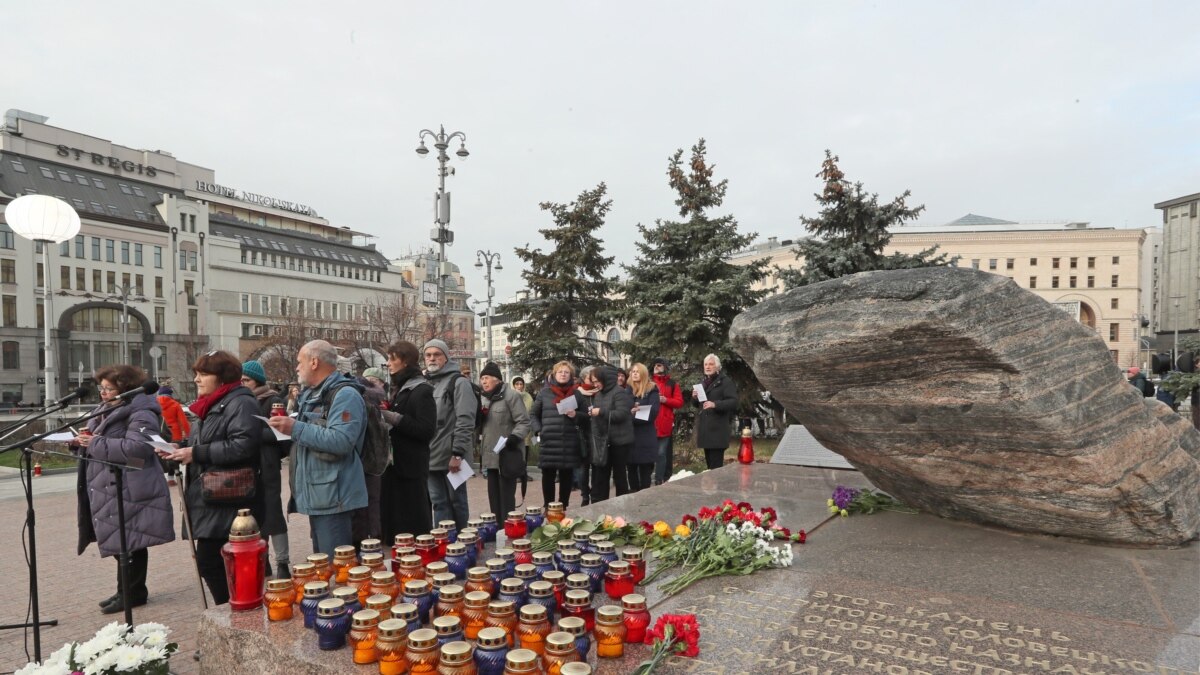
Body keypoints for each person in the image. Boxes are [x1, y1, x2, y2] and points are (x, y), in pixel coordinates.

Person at [160, 351, 262, 606]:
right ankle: (231, 614)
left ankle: (232, 614)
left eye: (204, 374)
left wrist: (196, 453)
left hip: (230, 496)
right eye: (196, 373)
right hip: (212, 495)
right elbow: (204, 442)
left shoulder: (240, 402)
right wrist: (177, 448)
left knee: (214, 562)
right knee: (217, 563)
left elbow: (243, 445)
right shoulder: (212, 404)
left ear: (223, 377)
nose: (196, 379)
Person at [75, 364, 174, 614]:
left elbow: (138, 449)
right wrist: (80, 443)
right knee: (122, 542)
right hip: (110, 484)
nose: (103, 393)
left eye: (109, 388)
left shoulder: (142, 412)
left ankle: (133, 593)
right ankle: (125, 591)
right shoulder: (106, 409)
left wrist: (95, 442)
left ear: (126, 389)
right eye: (102, 388)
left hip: (129, 484)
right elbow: (99, 441)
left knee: (131, 540)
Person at [268, 340, 367, 557]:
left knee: (338, 568)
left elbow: (341, 440)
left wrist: (295, 428)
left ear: (314, 362)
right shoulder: (313, 394)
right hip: (322, 495)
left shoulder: (345, 395)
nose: (296, 367)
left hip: (334, 497)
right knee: (325, 568)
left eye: (299, 362)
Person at [379, 341, 437, 541]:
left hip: (411, 468)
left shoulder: (422, 390)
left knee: (414, 524)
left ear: (405, 362)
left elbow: (426, 430)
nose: (388, 363)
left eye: (391, 359)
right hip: (395, 466)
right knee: (395, 524)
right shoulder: (399, 388)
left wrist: (393, 418)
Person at [241, 359, 291, 579]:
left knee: (273, 515)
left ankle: (282, 562)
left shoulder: (273, 400)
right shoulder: (241, 401)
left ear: (257, 380)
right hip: (248, 468)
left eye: (247, 380)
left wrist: (251, 436)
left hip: (267, 466)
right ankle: (262, 560)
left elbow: (281, 435)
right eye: (241, 379)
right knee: (252, 517)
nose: (243, 384)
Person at [423, 339, 474, 528]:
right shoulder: (424, 383)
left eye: (437, 354)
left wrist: (458, 454)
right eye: (428, 355)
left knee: (457, 502)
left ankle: (462, 542)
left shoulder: (459, 382)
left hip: (453, 457)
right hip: (431, 456)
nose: (432, 358)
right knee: (438, 502)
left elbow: (465, 420)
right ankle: (443, 542)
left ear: (446, 357)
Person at [478, 362, 530, 518]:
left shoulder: (512, 396)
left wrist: (514, 437)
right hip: (490, 457)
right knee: (494, 499)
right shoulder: (483, 398)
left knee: (507, 499)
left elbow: (524, 421)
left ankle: (508, 531)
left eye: (487, 378)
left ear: (498, 380)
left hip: (507, 456)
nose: (484, 382)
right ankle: (496, 531)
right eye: (482, 379)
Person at [531, 361, 582, 507]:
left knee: (566, 476)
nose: (563, 374)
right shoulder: (544, 393)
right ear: (554, 374)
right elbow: (533, 414)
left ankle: (563, 506)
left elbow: (586, 416)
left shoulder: (576, 394)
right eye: (560, 372)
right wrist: (538, 430)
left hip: (569, 442)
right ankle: (548, 506)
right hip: (549, 441)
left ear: (571, 376)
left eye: (566, 372)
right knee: (548, 476)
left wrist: (576, 415)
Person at [586, 365, 634, 503]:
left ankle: (622, 503)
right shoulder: (599, 394)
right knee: (601, 475)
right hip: (604, 441)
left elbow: (622, 414)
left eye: (597, 381)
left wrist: (600, 412)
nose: (595, 384)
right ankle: (601, 504)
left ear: (605, 379)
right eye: (593, 382)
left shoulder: (619, 392)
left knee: (619, 475)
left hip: (620, 442)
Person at [351, 369, 387, 544]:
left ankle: (367, 541)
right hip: (374, 461)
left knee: (364, 505)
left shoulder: (364, 404)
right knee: (372, 501)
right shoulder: (374, 404)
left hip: (364, 460)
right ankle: (374, 536)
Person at [692, 354, 738, 470]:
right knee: (709, 469)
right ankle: (710, 488)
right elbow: (698, 405)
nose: (707, 367)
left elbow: (734, 402)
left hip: (718, 431)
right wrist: (694, 397)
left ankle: (716, 488)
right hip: (706, 431)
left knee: (715, 469)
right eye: (706, 364)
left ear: (718, 367)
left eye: (711, 364)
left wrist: (715, 404)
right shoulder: (703, 382)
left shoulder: (725, 382)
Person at [626, 363, 660, 493]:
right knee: (631, 469)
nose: (634, 373)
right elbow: (624, 411)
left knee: (645, 470)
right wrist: (633, 413)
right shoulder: (627, 390)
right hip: (630, 436)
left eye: (637, 371)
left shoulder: (652, 389)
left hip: (646, 437)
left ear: (643, 373)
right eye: (633, 371)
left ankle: (645, 496)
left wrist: (633, 414)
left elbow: (652, 413)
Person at [651, 358, 684, 485]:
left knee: (661, 453)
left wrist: (666, 400)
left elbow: (679, 402)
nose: (656, 367)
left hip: (665, 424)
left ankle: (659, 480)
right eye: (655, 365)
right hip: (650, 424)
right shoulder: (649, 382)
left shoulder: (672, 383)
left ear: (665, 367)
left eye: (659, 365)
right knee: (649, 453)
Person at [572, 366, 600, 506]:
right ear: (584, 378)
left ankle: (595, 493)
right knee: (583, 468)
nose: (594, 380)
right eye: (591, 377)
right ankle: (584, 494)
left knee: (596, 465)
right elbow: (571, 414)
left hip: (597, 434)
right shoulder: (577, 393)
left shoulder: (600, 392)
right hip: (582, 434)